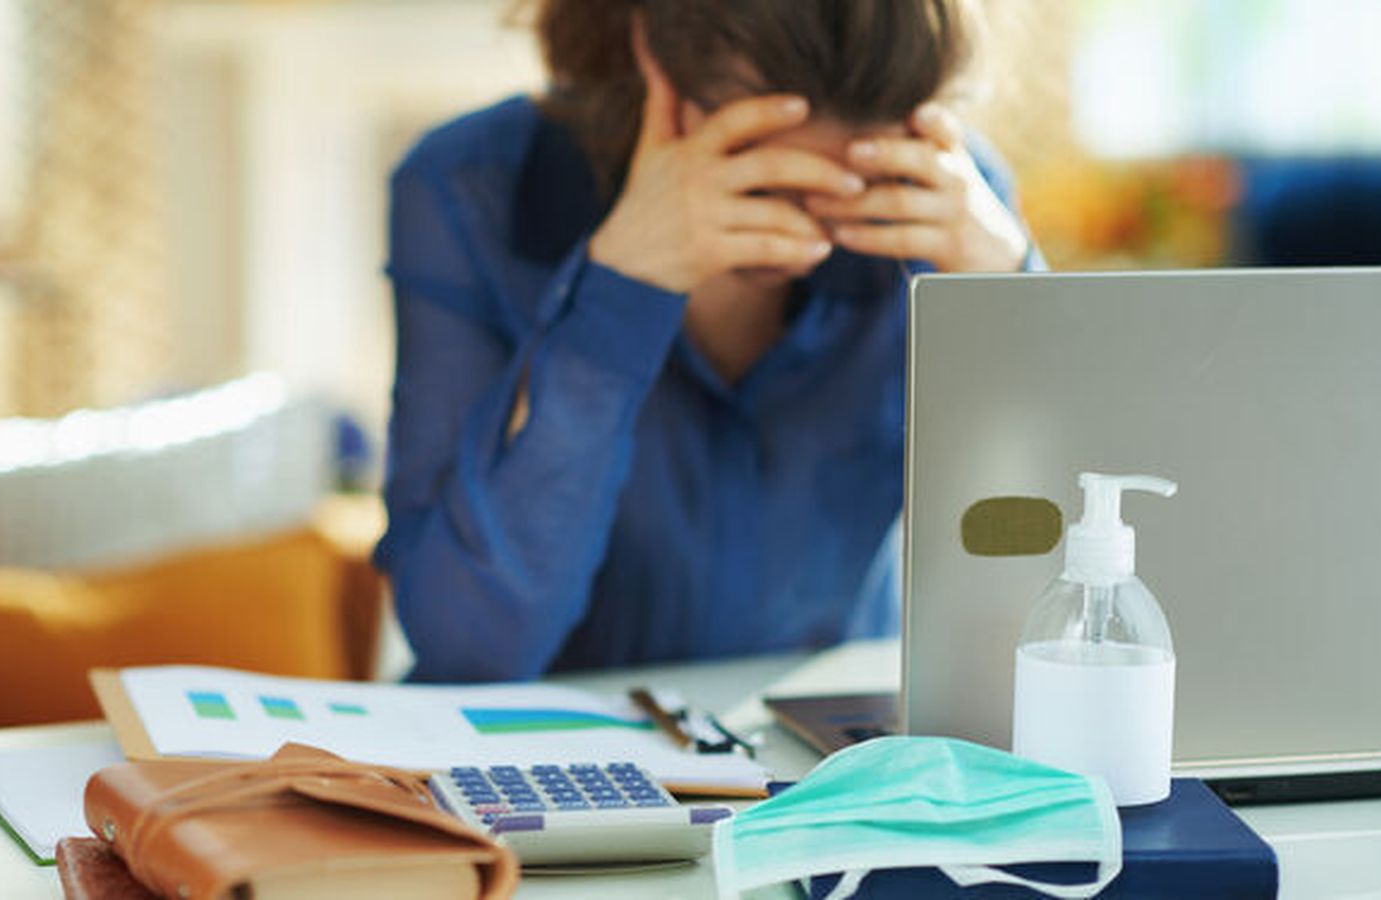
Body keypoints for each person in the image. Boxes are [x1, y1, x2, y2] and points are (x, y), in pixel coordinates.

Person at [375, 0, 1042, 682]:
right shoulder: (470, 188)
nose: (807, 234)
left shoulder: (950, 209)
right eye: (766, 179)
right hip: (556, 755)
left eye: (850, 188)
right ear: (654, 57)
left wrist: (1017, 301)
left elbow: (1078, 590)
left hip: (836, 766)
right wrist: (618, 291)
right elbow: (471, 648)